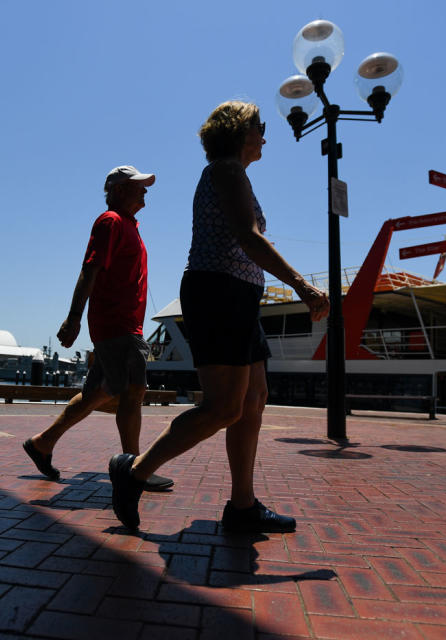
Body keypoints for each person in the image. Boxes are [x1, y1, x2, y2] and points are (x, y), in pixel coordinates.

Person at [108, 101, 330, 532]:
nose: (266, 135)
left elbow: (248, 240)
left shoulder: (236, 175)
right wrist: (302, 286)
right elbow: (249, 239)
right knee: (224, 406)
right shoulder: (226, 171)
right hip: (218, 291)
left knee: (252, 400)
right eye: (259, 127)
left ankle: (242, 506)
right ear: (238, 132)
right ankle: (132, 471)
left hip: (239, 294)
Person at [22, 165, 173, 491]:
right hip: (117, 324)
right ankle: (134, 469)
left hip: (122, 323)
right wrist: (74, 316)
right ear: (119, 190)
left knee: (98, 393)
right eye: (139, 186)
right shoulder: (111, 222)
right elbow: (89, 269)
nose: (145, 190)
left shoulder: (129, 225)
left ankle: (42, 443)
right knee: (134, 390)